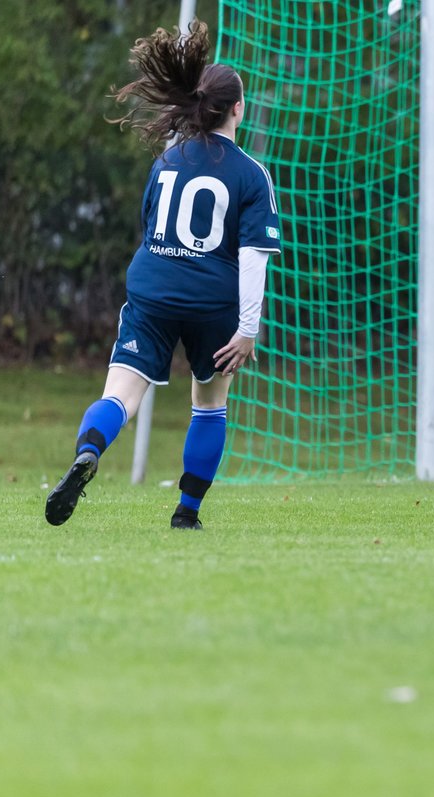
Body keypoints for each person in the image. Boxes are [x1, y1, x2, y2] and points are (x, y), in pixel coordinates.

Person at [44, 21, 281, 530]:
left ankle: (89, 451)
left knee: (120, 397)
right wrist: (248, 328)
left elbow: (149, 226)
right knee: (210, 404)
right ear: (238, 108)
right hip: (212, 301)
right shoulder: (251, 173)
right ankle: (186, 513)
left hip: (151, 287)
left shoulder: (168, 159)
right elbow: (255, 257)